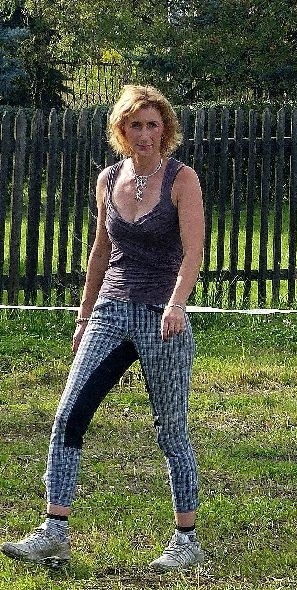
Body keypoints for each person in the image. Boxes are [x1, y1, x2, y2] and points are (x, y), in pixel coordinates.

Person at [0, 85, 206, 572]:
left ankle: (186, 539)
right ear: (122, 130)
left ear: (166, 129)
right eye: (135, 125)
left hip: (162, 314)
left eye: (153, 125)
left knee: (171, 430)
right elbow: (99, 252)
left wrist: (177, 304)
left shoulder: (182, 179)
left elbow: (194, 251)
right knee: (69, 415)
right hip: (111, 309)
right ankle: (55, 530)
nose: (144, 134)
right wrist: (83, 315)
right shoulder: (108, 178)